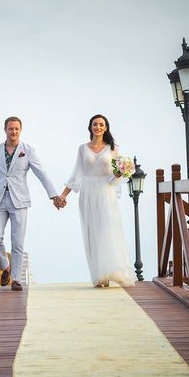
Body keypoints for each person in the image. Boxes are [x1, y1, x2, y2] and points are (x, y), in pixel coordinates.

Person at [58, 114, 136, 288]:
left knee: (108, 230)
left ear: (106, 127)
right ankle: (99, 276)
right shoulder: (82, 149)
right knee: (92, 233)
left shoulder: (113, 149)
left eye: (101, 124)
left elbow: (113, 178)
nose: (98, 127)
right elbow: (76, 174)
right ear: (90, 127)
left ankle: (112, 271)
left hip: (106, 193)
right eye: (95, 124)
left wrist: (119, 173)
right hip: (88, 192)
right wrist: (63, 195)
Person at [0, 116, 61, 291]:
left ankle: (16, 279)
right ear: (5, 130)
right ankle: (6, 267)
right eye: (11, 128)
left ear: (21, 130)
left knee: (17, 242)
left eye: (17, 129)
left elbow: (41, 173)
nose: (14, 131)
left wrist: (53, 195)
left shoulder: (28, 150)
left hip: (19, 200)